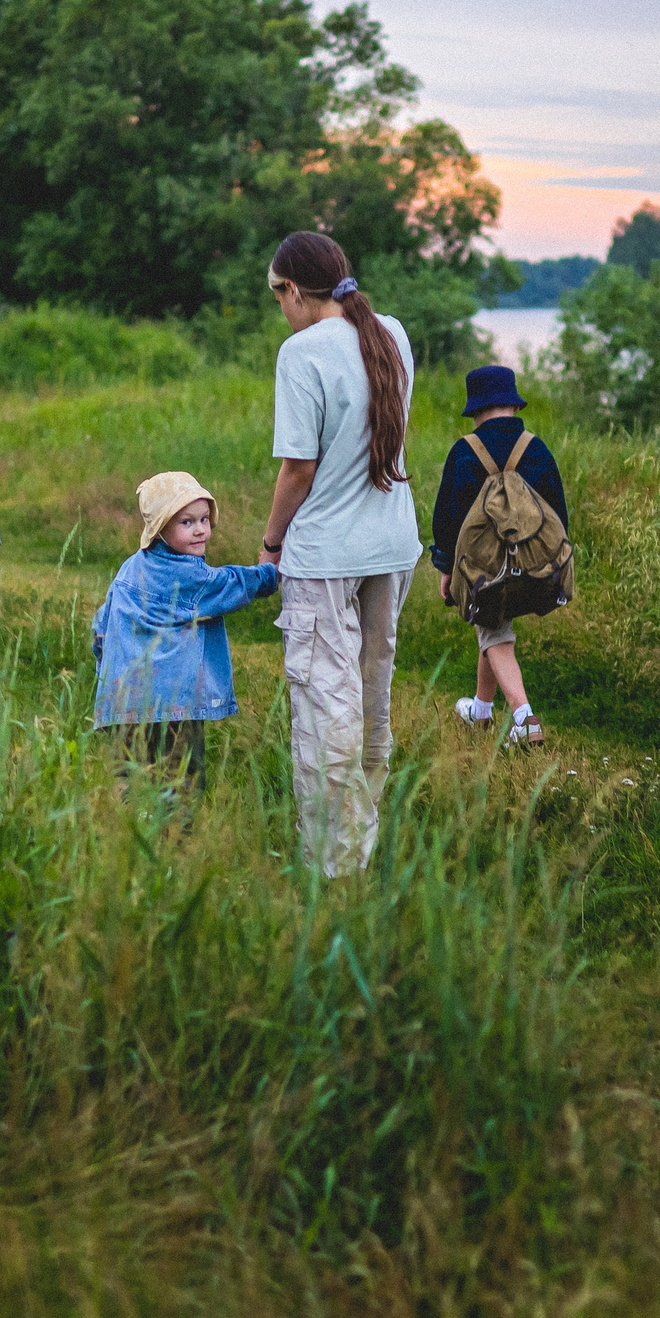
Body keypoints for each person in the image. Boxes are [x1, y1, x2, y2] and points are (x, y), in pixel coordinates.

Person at [255, 231, 423, 876]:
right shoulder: (391, 333)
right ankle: (362, 848)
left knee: (328, 708)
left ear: (294, 290)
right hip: (392, 546)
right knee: (372, 700)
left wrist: (271, 544)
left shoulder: (301, 352)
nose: (280, 307)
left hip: (326, 553)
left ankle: (334, 868)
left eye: (277, 294)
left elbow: (298, 467)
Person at [90, 472, 280, 793]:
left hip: (123, 702)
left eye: (204, 519)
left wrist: (107, 667)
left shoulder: (129, 568)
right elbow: (230, 584)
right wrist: (269, 573)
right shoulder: (190, 576)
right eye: (186, 522)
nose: (200, 530)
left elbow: (101, 627)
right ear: (160, 529)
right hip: (172, 706)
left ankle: (126, 823)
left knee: (128, 780)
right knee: (179, 783)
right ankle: (175, 824)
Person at [429, 363, 567, 748]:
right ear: (515, 405)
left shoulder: (465, 451)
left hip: (482, 568)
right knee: (492, 624)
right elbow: (558, 512)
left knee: (494, 632)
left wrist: (446, 568)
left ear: (474, 410)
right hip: (534, 565)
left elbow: (447, 519)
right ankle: (481, 710)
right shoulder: (536, 449)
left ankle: (524, 719)